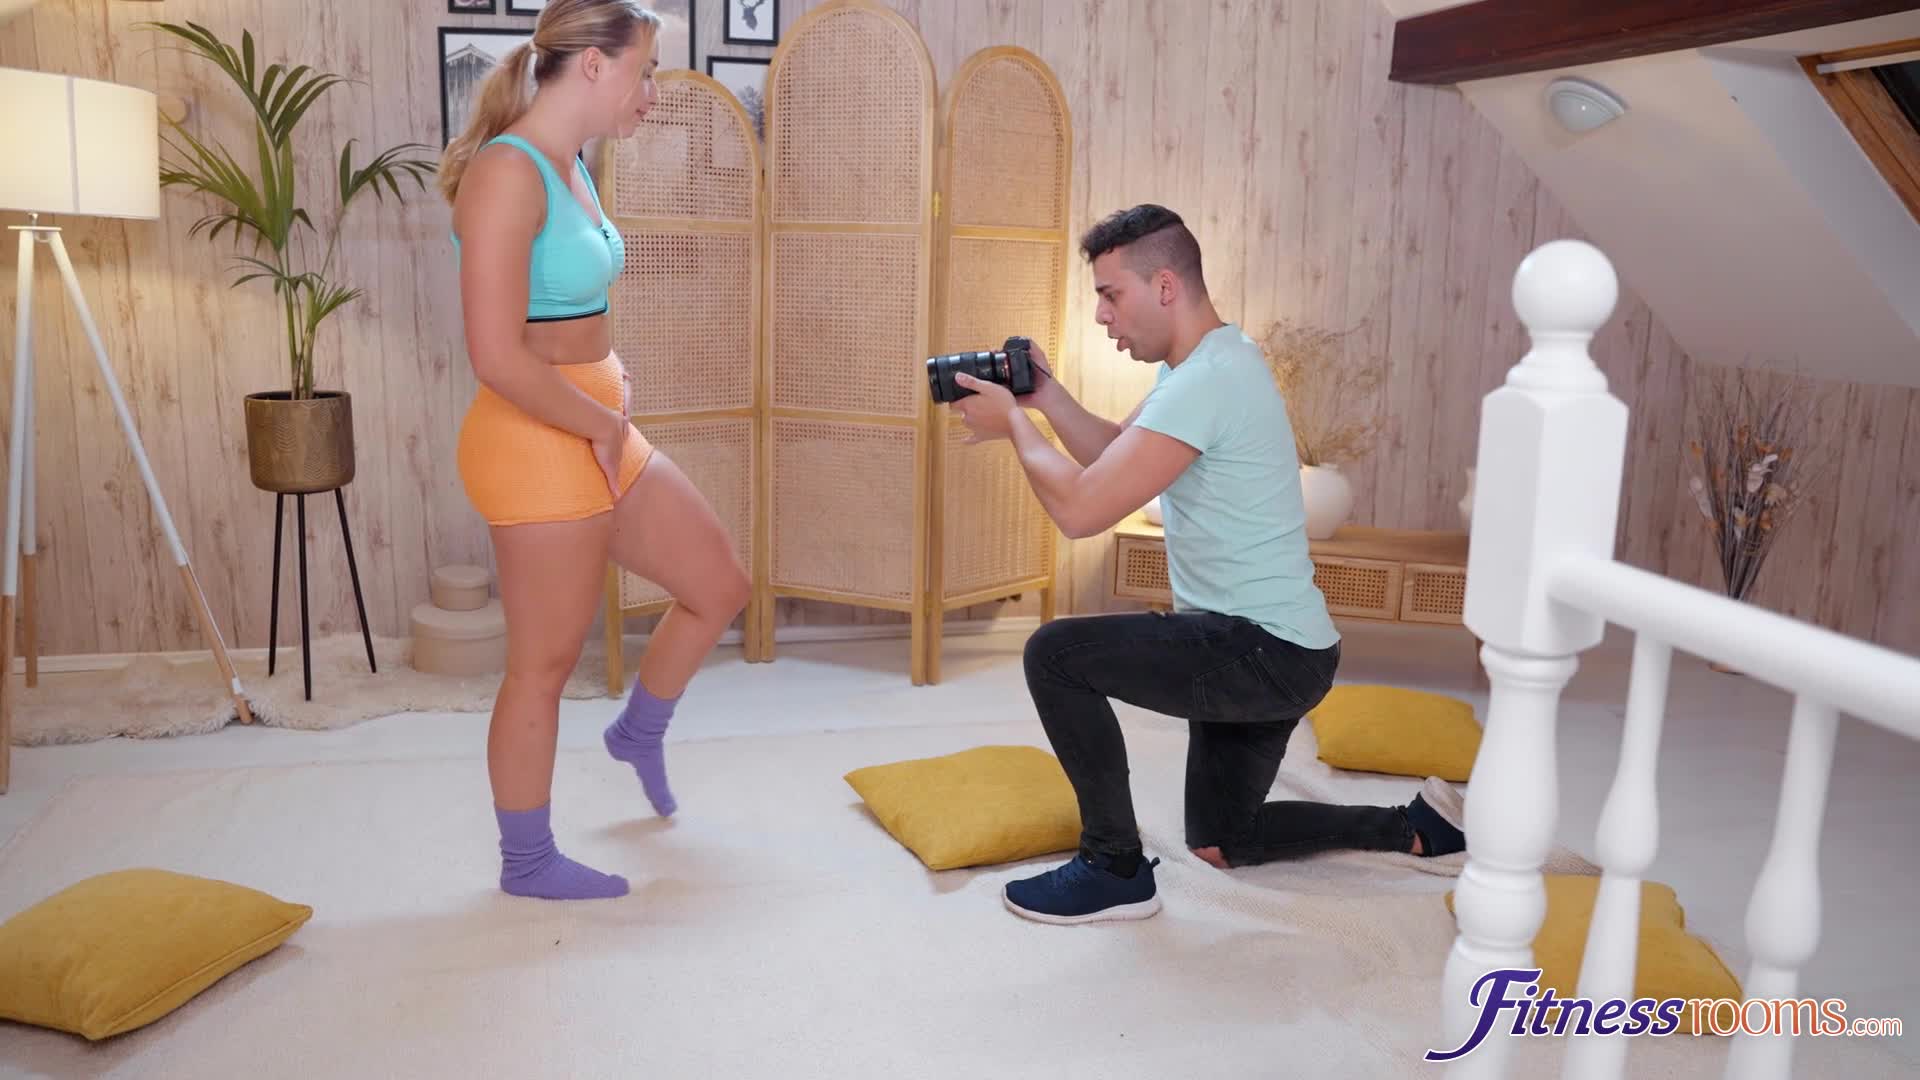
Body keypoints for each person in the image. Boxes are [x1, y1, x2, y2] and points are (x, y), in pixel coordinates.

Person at [946, 204, 1467, 925]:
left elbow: (1081, 512)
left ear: (1164, 286)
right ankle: (1413, 827)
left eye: (1110, 294)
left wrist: (1013, 423)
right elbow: (1113, 456)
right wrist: (1046, 398)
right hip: (1284, 649)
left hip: (1260, 650)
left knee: (1056, 655)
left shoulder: (1206, 381)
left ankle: (1113, 866)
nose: (1101, 315)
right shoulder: (1212, 363)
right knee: (1225, 840)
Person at [438, 0, 750, 901]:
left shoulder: (572, 161)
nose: (653, 91)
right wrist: (601, 421)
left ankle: (637, 733)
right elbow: (497, 357)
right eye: (645, 70)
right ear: (593, 65)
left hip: (592, 425)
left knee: (718, 584)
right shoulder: (507, 173)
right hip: (536, 439)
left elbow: (569, 313)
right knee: (542, 667)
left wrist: (608, 387)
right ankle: (527, 862)